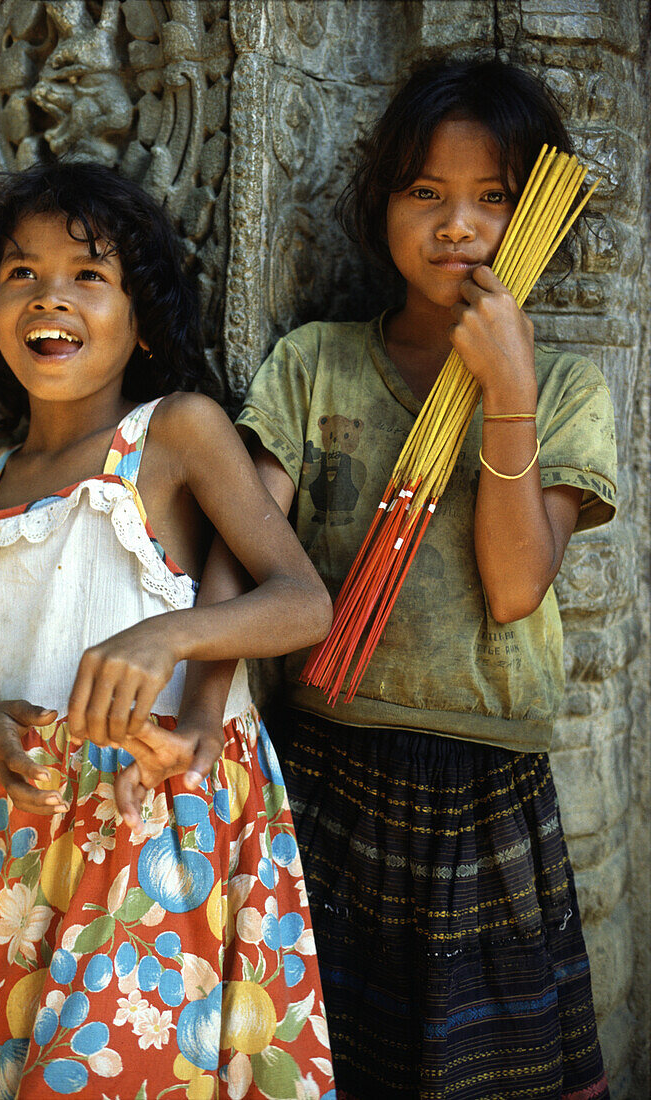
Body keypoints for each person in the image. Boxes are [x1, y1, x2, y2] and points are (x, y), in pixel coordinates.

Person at [151, 58, 617, 1099]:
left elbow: (512, 588)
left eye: (493, 198)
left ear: (533, 216)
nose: (458, 224)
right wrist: (196, 693)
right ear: (381, 206)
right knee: (325, 1053)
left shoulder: (568, 390)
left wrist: (506, 389)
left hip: (485, 783)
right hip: (328, 767)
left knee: (481, 1070)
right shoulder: (314, 361)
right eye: (426, 192)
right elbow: (246, 538)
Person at [0, 160, 336, 1100]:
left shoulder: (175, 435)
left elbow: (302, 601)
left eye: (89, 275)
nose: (51, 297)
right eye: (21, 273)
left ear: (142, 319)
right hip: (32, 843)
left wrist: (172, 635)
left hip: (169, 823)